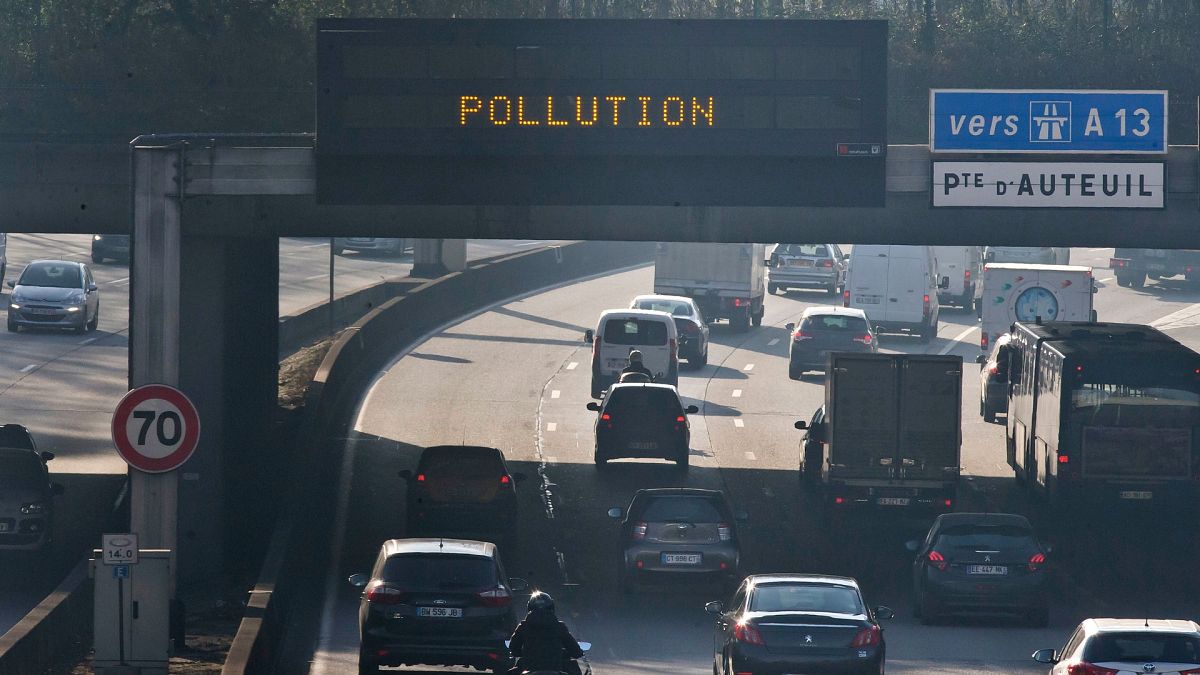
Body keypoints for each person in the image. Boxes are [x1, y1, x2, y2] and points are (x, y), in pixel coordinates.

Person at [508, 592, 584, 675]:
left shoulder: (523, 626)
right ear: (551, 607)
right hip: (555, 669)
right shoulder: (559, 626)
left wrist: (525, 653)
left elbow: (513, 648)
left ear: (529, 607)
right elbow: (575, 651)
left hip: (529, 669)